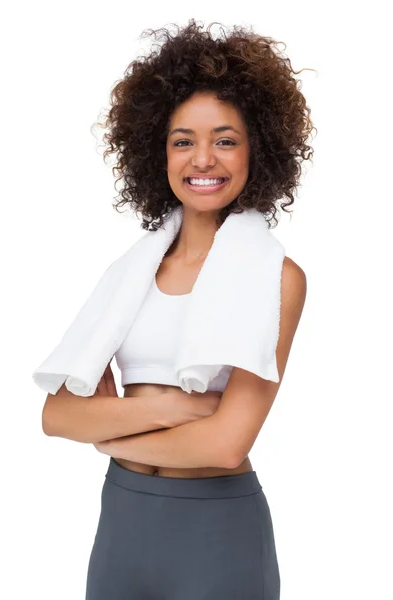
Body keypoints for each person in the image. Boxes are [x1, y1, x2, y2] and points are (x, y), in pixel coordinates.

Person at [42, 18, 313, 599]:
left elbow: (226, 444)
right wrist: (186, 408)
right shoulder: (127, 277)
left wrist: (110, 437)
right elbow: (58, 416)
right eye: (183, 140)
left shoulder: (277, 280)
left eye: (226, 138)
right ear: (157, 153)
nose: (203, 159)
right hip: (120, 524)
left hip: (217, 533)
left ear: (257, 149)